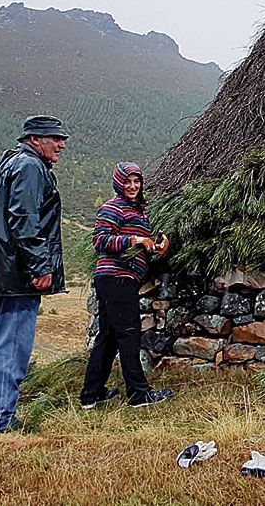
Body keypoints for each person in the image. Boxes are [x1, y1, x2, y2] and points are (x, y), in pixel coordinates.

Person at [0, 115, 69, 434]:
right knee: (10, 351)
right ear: (35, 139)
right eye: (55, 138)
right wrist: (40, 266)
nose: (61, 144)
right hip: (16, 278)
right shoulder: (30, 167)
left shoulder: (10, 163)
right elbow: (24, 218)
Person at [80, 161, 173, 409]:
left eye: (136, 181)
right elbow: (100, 240)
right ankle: (138, 394)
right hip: (116, 278)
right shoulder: (113, 208)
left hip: (121, 279)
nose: (132, 186)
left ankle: (91, 394)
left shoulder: (140, 211)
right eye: (127, 181)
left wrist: (155, 247)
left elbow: (140, 245)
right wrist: (134, 238)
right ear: (118, 184)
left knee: (108, 337)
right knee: (129, 334)